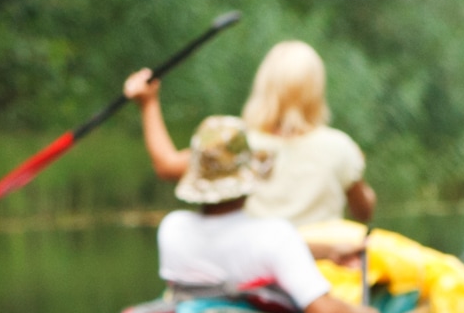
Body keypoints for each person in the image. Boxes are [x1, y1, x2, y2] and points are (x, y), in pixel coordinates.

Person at [155, 115, 390, 313]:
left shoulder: (172, 227)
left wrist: (328, 251)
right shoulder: (275, 235)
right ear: (247, 179)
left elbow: (234, 246)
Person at [130, 40, 375, 234]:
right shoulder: (339, 146)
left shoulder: (237, 142)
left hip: (256, 271)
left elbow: (166, 165)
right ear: (316, 91)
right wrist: (356, 171)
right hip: (322, 271)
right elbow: (363, 211)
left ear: (265, 86)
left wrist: (148, 103)